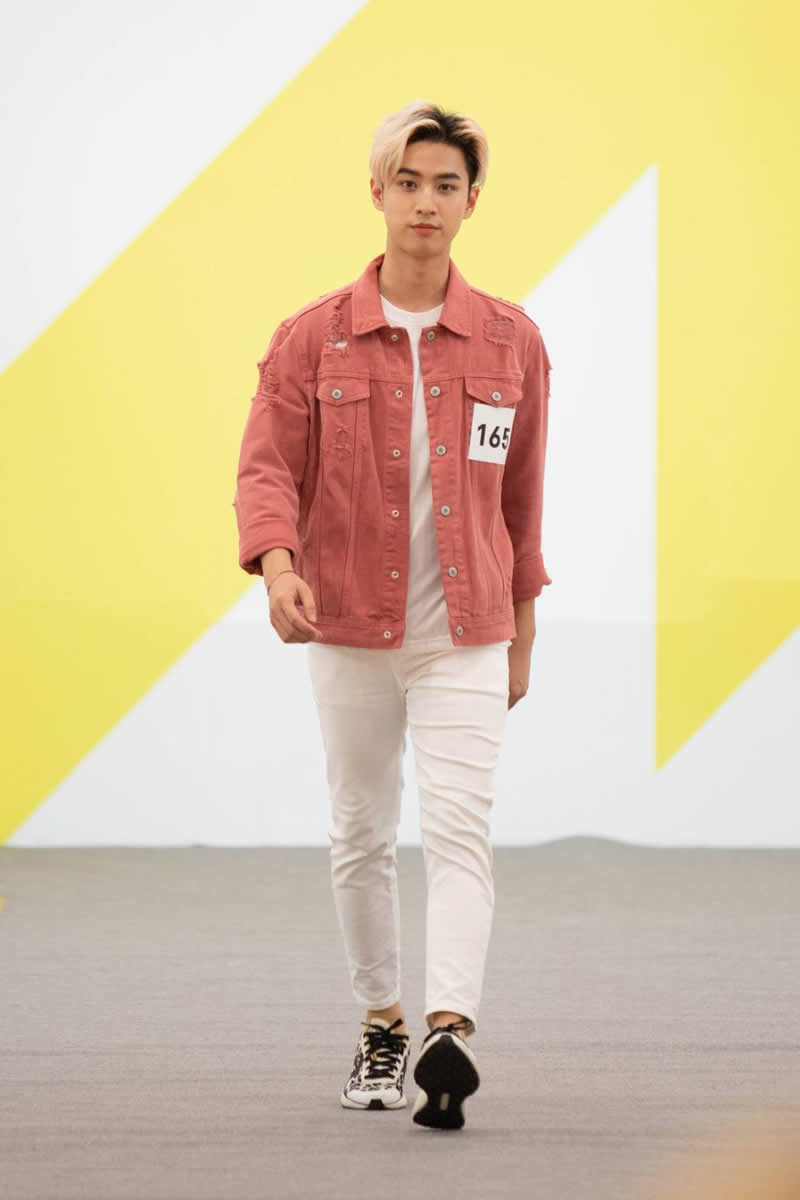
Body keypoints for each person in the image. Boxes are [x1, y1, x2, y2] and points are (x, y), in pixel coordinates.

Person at [233, 99, 553, 1131]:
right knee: (361, 832)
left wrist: (522, 631)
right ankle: (381, 1023)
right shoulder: (312, 337)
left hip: (468, 632)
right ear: (377, 191)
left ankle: (448, 1030)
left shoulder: (510, 340)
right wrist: (277, 568)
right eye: (408, 182)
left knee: (460, 829)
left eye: (445, 185)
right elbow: (265, 470)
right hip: (347, 627)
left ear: (471, 202)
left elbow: (522, 498)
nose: (425, 201)